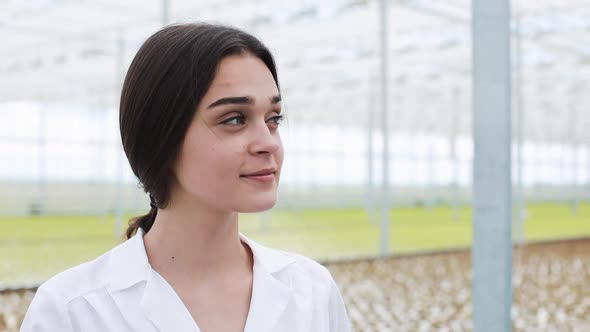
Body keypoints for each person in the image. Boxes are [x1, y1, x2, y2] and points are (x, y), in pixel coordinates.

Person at [20, 23, 351, 331]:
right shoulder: (73, 312)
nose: (268, 143)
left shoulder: (312, 293)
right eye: (235, 119)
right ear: (161, 137)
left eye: (273, 118)